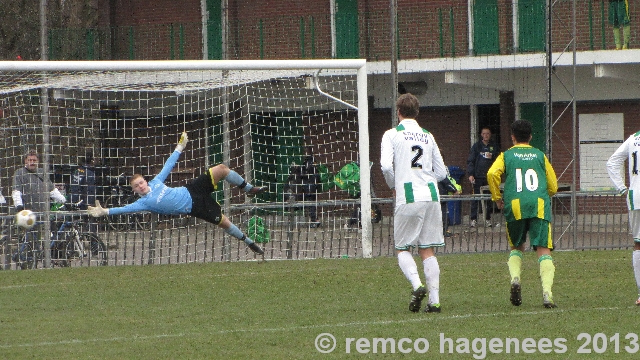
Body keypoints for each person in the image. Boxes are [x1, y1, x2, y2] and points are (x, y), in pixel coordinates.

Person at [87, 132, 267, 255]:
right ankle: (249, 242)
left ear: (145, 181)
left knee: (221, 169)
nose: (140, 186)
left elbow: (168, 164)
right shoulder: (143, 203)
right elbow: (124, 209)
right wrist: (105, 211)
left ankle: (249, 189)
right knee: (225, 222)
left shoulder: (156, 182)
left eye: (141, 182)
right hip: (195, 207)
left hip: (192, 189)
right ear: (134, 190)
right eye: (136, 186)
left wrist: (180, 147)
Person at [381, 93, 448, 313]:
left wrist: (394, 184)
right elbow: (441, 172)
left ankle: (417, 285)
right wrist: (426, 180)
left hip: (408, 196)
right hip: (431, 196)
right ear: (417, 112)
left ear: (398, 112)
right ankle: (435, 302)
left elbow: (386, 167)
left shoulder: (392, 134)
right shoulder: (428, 135)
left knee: (402, 248)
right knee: (427, 250)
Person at [487, 120, 558, 308]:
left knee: (517, 247)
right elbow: (553, 186)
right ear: (531, 137)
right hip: (539, 205)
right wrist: (543, 195)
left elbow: (492, 174)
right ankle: (547, 294)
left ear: (512, 137)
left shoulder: (506, 155)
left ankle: (516, 279)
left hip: (515, 204)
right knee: (543, 249)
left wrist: (497, 197)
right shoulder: (540, 155)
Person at [606, 129, 640, 306]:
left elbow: (612, 162)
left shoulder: (633, 139)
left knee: (638, 243)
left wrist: (622, 188)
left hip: (635, 197)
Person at [467, 127, 500, 228]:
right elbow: (471, 160)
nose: (486, 135)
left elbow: (498, 160)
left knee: (488, 199)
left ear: (490, 135)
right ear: (481, 135)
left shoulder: (494, 146)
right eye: (484, 133)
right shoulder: (476, 146)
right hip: (477, 176)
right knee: (476, 198)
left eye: (488, 134)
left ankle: (487, 219)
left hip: (489, 177)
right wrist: (471, 174)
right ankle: (473, 219)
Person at [284, 154, 321, 227]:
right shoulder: (315, 168)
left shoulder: (304, 168)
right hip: (312, 190)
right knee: (311, 205)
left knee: (307, 205)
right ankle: (314, 220)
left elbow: (302, 175)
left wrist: (297, 168)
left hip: (305, 191)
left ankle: (313, 220)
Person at [438, 168, 461, 237]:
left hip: (433, 197)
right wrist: (454, 190)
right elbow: (446, 183)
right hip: (441, 197)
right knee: (443, 214)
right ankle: (444, 231)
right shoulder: (439, 173)